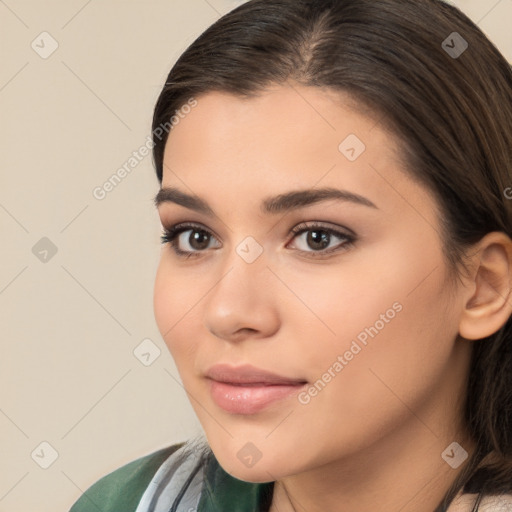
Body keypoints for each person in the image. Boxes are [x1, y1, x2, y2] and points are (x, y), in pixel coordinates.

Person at [69, 0, 512, 510]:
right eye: (194, 236)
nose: (227, 312)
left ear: (483, 286)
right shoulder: (131, 503)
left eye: (317, 237)